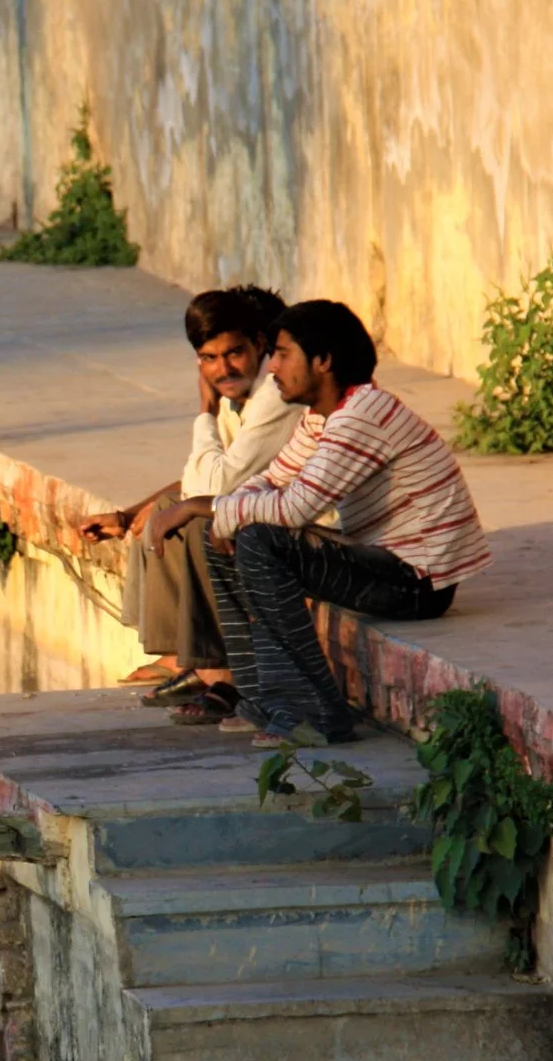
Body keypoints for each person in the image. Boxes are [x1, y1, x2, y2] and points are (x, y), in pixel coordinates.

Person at [167, 299, 490, 745]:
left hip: (415, 583)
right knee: (222, 532)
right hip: (381, 564)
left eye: (282, 354)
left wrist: (200, 507)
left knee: (261, 540)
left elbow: (295, 508)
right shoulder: (322, 416)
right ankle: (263, 696)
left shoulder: (362, 415)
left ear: (322, 361)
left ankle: (313, 712)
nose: (273, 367)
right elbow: (271, 480)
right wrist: (222, 516)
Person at [79, 287, 300, 724]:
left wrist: (203, 411)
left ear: (259, 344)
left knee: (202, 521)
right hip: (256, 504)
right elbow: (202, 477)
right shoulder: (236, 395)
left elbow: (215, 485)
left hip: (297, 523)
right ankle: (186, 657)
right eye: (209, 358)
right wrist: (129, 516)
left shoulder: (272, 396)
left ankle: (222, 674)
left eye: (234, 353)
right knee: (167, 505)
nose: (224, 368)